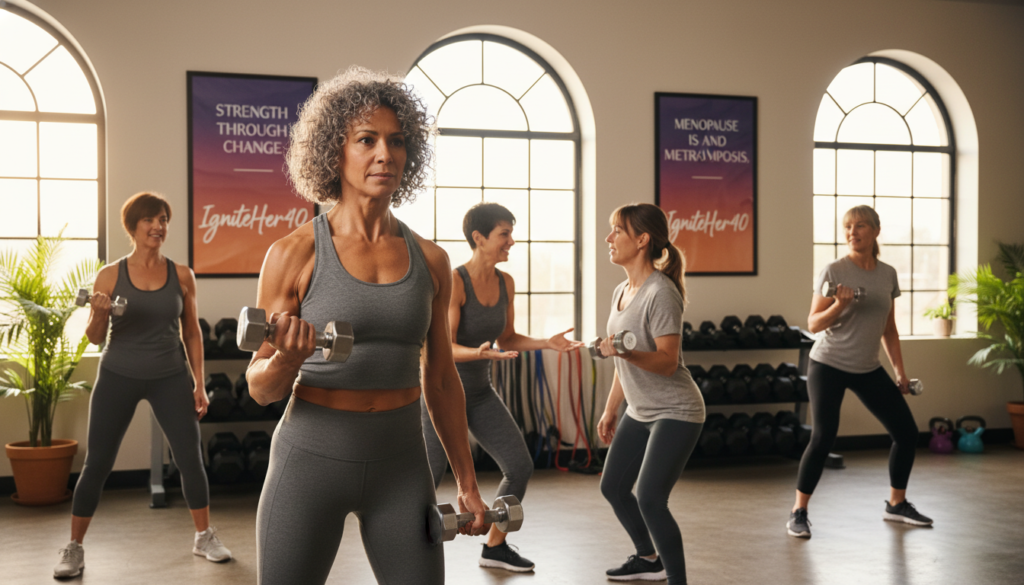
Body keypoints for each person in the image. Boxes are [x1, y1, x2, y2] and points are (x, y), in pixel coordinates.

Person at [245, 66, 490, 585]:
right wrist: (288, 358)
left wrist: (467, 482)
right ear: (335, 151)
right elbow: (260, 388)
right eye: (367, 140)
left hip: (402, 464)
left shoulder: (432, 260)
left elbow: (442, 380)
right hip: (309, 460)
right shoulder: (294, 253)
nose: (386, 154)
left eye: (397, 141)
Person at [54, 192, 230, 579]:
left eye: (163, 219)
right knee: (97, 463)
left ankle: (204, 536)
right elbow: (96, 338)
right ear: (132, 227)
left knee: (189, 459)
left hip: (170, 374)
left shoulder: (182, 274)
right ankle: (74, 547)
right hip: (118, 375)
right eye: (150, 220)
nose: (158, 226)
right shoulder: (110, 275)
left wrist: (199, 384)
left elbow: (193, 334)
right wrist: (99, 314)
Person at [420, 202, 583, 573]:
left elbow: (507, 337)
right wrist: (477, 352)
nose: (511, 241)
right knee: (428, 477)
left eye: (511, 232)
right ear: (479, 238)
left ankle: (494, 546)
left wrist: (546, 343)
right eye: (504, 234)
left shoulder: (506, 282)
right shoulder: (456, 282)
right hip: (441, 392)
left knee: (519, 465)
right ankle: (412, 553)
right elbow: (442, 348)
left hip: (479, 392)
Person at [787, 205, 930, 538]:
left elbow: (889, 329)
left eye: (861, 225)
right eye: (848, 227)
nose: (853, 232)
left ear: (876, 230)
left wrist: (900, 372)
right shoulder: (833, 271)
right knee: (822, 437)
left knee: (907, 433)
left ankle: (896, 504)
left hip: (867, 367)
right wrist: (840, 305)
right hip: (829, 364)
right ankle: (798, 511)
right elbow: (812, 323)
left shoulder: (887, 274)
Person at [597, 203, 704, 585]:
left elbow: (666, 362)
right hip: (640, 410)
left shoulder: (662, 292)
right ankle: (647, 557)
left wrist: (622, 350)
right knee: (612, 486)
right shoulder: (621, 290)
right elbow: (621, 364)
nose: (608, 238)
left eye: (617, 231)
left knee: (650, 498)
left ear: (642, 240)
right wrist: (611, 409)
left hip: (676, 410)